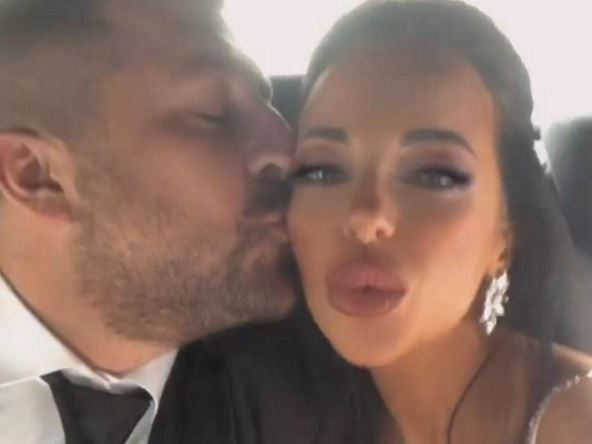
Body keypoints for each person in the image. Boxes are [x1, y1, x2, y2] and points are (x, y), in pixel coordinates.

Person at [218, 1, 592, 444]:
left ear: (505, 238)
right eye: (322, 170)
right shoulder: (270, 406)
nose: (365, 218)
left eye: (434, 176)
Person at [0, 0, 297, 443]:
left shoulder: (319, 383)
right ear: (38, 175)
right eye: (214, 113)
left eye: (267, 101)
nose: (288, 147)